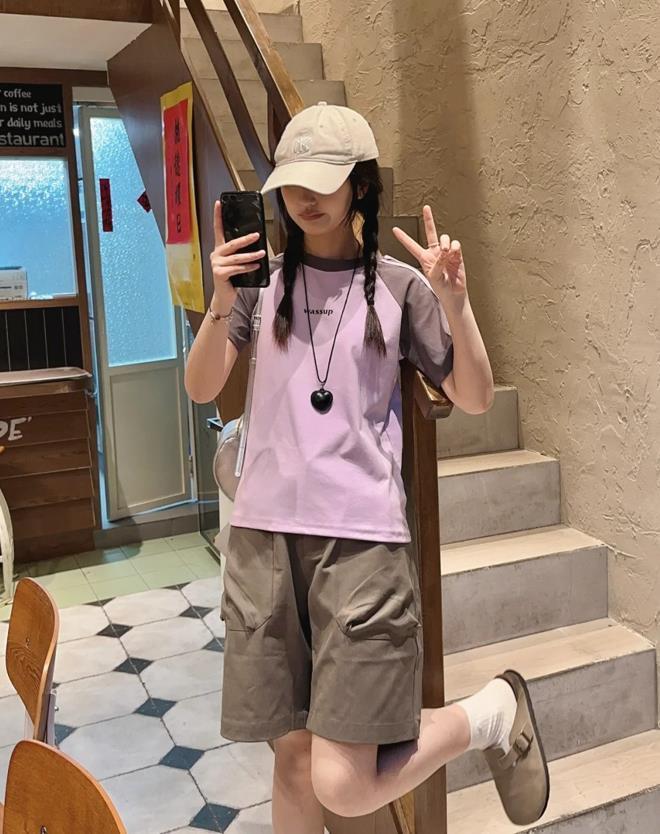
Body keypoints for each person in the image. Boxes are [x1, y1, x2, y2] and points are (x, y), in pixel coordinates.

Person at [184, 102, 550, 831]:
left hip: (361, 547)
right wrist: (221, 301)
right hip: (262, 543)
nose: (306, 196)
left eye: (325, 179)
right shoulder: (260, 285)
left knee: (343, 783)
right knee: (292, 759)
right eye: (293, 181)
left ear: (360, 184)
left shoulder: (397, 285)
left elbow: (475, 397)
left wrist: (456, 303)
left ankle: (488, 713)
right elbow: (201, 386)